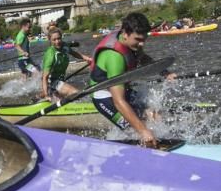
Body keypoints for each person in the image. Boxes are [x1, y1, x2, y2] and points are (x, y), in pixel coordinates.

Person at [89, 12, 172, 148]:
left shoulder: (130, 42)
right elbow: (118, 101)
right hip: (104, 96)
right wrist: (143, 131)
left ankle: (161, 137)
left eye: (144, 39)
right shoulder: (114, 57)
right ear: (125, 33)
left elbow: (142, 57)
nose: (141, 44)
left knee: (154, 114)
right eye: (138, 39)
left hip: (121, 88)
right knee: (135, 131)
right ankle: (143, 147)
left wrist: (165, 72)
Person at [40, 29, 92, 102]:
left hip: (60, 79)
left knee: (63, 100)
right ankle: (46, 94)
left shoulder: (65, 46)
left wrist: (87, 58)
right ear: (50, 40)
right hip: (51, 82)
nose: (57, 42)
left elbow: (74, 53)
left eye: (59, 38)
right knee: (75, 93)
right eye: (54, 40)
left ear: (61, 37)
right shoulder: (51, 55)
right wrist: (46, 95)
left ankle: (42, 96)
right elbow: (45, 78)